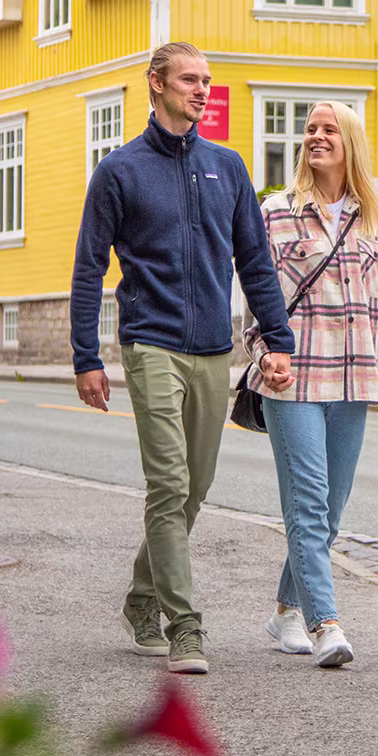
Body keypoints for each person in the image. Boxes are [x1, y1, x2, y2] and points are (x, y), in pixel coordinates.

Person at [71, 42, 294, 676]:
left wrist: (278, 340)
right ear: (156, 85)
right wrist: (86, 355)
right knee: (167, 485)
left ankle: (141, 598)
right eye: (190, 80)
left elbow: (255, 262)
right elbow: (90, 268)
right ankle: (184, 626)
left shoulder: (228, 167)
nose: (202, 90)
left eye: (207, 81)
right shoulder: (120, 171)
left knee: (194, 488)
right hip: (150, 344)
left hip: (213, 351)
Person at [252, 101, 378, 668]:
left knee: (329, 510)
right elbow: (257, 297)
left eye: (328, 130)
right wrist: (264, 351)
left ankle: (283, 612)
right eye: (310, 130)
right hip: (293, 379)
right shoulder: (275, 213)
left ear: (350, 142)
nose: (316, 137)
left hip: (353, 379)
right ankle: (325, 623)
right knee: (306, 501)